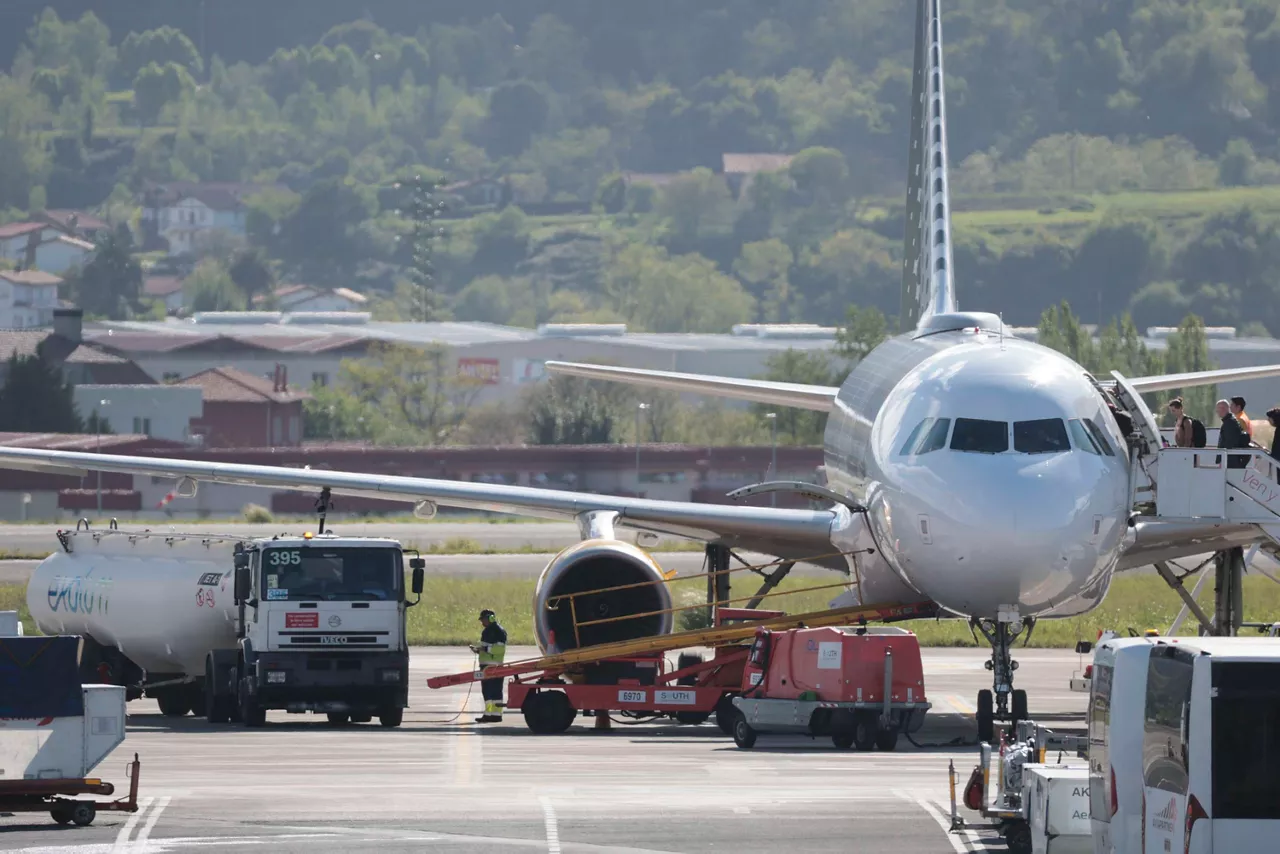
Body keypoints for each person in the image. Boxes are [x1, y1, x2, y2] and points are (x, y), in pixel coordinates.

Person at [471, 609, 507, 723]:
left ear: (490, 618)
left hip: (491, 667)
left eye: (483, 619)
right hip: (490, 666)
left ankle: (490, 714)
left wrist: (484, 649)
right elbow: (489, 649)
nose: (482, 622)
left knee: (490, 692)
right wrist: (479, 650)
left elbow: (499, 649)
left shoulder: (498, 631)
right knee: (494, 692)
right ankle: (495, 715)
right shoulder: (488, 631)